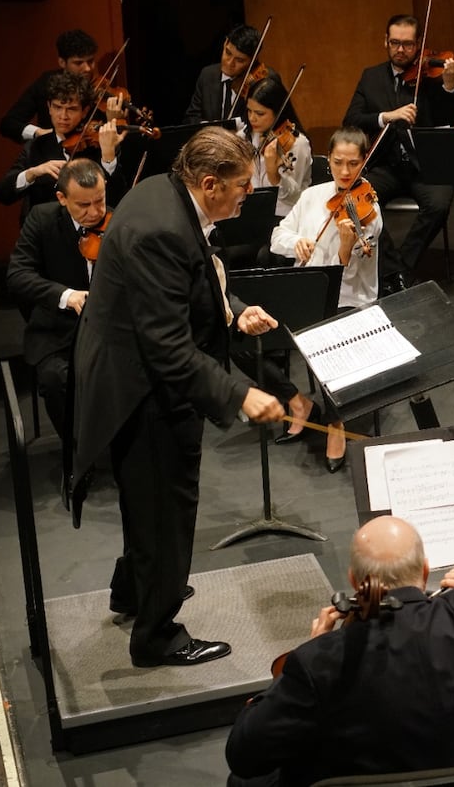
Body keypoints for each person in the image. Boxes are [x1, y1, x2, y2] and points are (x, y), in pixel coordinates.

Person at [71, 126, 286, 668]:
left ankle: (132, 591)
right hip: (141, 392)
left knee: (144, 503)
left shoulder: (165, 191)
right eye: (241, 185)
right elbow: (166, 349)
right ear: (210, 183)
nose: (248, 193)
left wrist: (234, 312)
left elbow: (195, 282)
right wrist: (241, 394)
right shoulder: (162, 230)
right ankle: (156, 636)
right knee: (166, 510)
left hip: (136, 375)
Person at [224, 515, 454, 786]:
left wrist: (301, 658)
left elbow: (243, 755)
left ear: (354, 580)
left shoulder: (320, 660)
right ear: (424, 571)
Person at [267, 127, 382, 471]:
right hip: (304, 288)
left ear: (364, 163)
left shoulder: (369, 210)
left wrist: (346, 244)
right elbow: (277, 236)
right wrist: (296, 244)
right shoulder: (312, 196)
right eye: (337, 163)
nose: (345, 173)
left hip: (348, 298)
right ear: (327, 161)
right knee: (243, 340)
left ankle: (336, 422)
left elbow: (347, 274)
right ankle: (297, 400)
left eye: (353, 164)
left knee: (326, 335)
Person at [343, 14, 454, 294]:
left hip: (426, 167)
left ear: (418, 45)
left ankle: (400, 270)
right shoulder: (371, 76)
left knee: (439, 204)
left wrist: (449, 86)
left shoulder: (432, 77)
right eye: (395, 42)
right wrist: (387, 116)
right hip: (386, 165)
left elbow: (450, 118)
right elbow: (352, 119)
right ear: (386, 41)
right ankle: (394, 269)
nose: (400, 49)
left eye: (408, 44)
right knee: (360, 202)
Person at [5, 158, 108, 439]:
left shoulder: (118, 221)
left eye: (99, 201)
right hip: (58, 331)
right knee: (55, 380)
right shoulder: (42, 219)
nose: (95, 212)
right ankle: (75, 448)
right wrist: (65, 295)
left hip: (111, 331)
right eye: (83, 205)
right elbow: (18, 274)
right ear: (62, 198)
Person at [0, 72, 124, 225]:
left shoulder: (98, 145)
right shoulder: (36, 146)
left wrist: (108, 157)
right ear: (49, 107)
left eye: (72, 109)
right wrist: (32, 173)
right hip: (46, 234)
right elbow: (3, 193)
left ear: (84, 111)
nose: (63, 116)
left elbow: (118, 198)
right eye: (57, 107)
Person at [0, 29, 98, 144]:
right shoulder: (46, 83)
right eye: (78, 63)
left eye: (90, 61)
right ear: (62, 62)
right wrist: (38, 132)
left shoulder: (99, 87)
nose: (87, 69)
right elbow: (8, 123)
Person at [236, 75, 312, 217]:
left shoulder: (297, 144)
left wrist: (273, 173)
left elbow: (292, 197)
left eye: (260, 113)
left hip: (284, 216)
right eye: (249, 111)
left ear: (278, 111)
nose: (252, 118)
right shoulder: (243, 137)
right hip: (250, 214)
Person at [183, 24, 271, 125]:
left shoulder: (264, 81)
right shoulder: (207, 75)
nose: (229, 63)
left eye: (239, 60)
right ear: (225, 43)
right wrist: (211, 128)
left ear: (253, 60)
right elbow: (191, 118)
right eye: (228, 53)